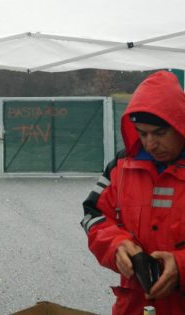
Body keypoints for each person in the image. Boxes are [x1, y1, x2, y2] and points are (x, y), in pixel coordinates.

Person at [81, 70, 185, 315]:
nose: (150, 144)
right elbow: (93, 216)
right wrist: (116, 245)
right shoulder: (120, 167)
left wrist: (182, 266)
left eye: (159, 133)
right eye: (141, 133)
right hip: (134, 306)